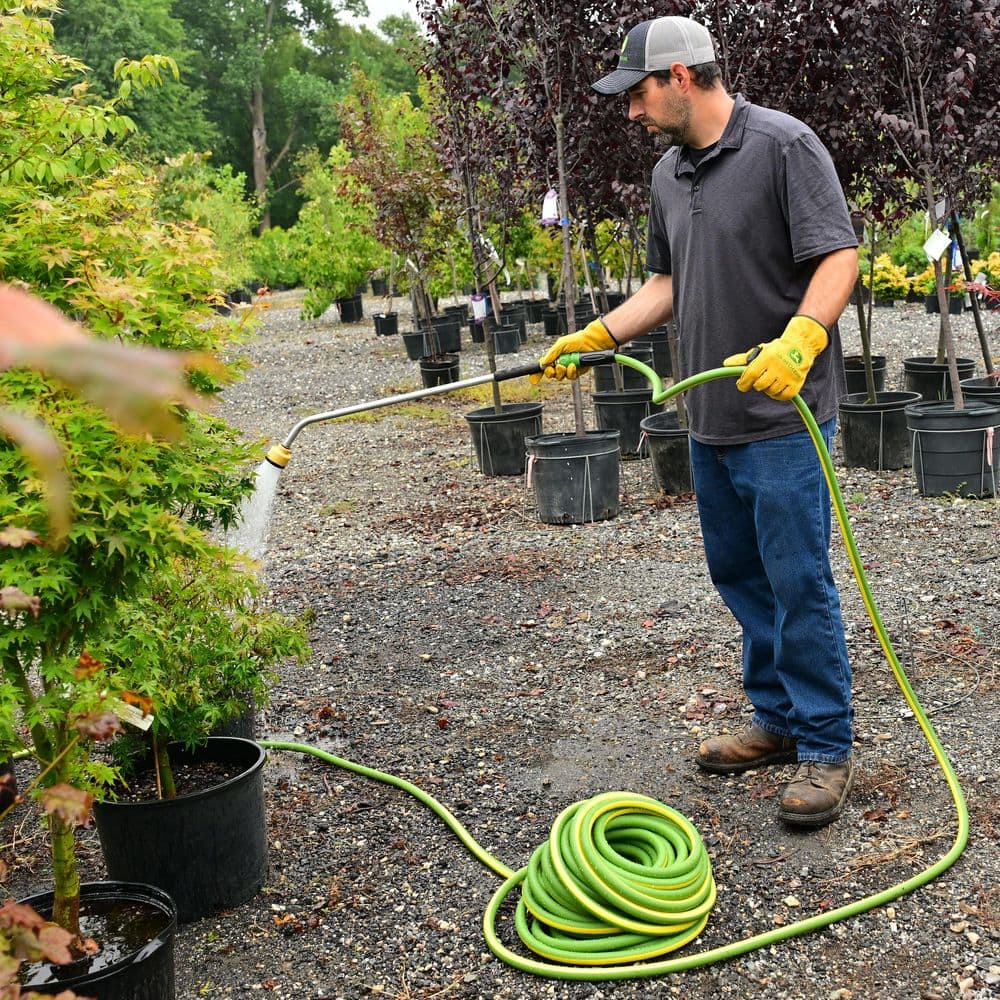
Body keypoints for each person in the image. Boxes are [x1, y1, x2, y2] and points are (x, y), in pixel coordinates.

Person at [534, 15, 860, 828]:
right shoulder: (667, 175)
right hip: (709, 417)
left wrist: (803, 336)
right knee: (742, 580)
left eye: (637, 93)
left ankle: (825, 745)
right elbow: (665, 285)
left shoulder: (784, 146)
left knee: (798, 583)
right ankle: (778, 723)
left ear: (681, 75)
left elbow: (839, 255)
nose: (631, 111)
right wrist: (598, 336)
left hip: (783, 418)